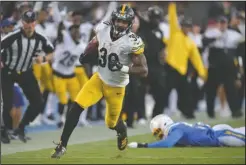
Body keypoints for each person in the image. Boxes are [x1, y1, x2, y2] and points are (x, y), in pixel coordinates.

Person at [51, 4, 148, 158]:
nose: (120, 24)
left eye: (124, 22)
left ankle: (121, 131)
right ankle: (62, 145)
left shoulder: (132, 41)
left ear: (129, 24)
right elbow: (94, 42)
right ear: (113, 20)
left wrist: (122, 68)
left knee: (110, 123)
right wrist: (86, 53)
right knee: (76, 107)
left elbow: (144, 70)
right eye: (118, 21)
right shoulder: (102, 29)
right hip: (99, 78)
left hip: (116, 86)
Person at [1, 10, 54, 143]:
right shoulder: (13, 36)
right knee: (7, 104)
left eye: (31, 22)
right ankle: (5, 130)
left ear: (35, 23)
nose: (29, 25)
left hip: (25, 71)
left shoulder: (41, 38)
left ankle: (21, 127)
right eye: (26, 22)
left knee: (38, 102)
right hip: (8, 71)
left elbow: (51, 52)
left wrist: (43, 58)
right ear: (22, 22)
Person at [162, 2, 207, 119]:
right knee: (164, 92)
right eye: (185, 26)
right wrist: (172, 5)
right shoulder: (174, 33)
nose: (187, 28)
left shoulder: (190, 41)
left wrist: (202, 72)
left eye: (188, 27)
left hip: (182, 71)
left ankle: (188, 112)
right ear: (181, 26)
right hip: (171, 68)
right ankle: (157, 113)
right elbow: (172, 19)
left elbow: (196, 58)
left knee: (186, 93)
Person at [128, 114, 245, 148]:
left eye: (157, 131)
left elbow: (168, 144)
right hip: (217, 132)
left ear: (163, 125)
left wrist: (142, 145)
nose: (158, 135)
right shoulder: (177, 127)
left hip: (220, 135)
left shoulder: (176, 130)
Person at [52, 24, 86, 128]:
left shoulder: (82, 46)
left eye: (77, 30)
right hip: (58, 74)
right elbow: (59, 33)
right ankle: (59, 119)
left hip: (71, 75)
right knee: (63, 100)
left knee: (75, 99)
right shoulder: (65, 38)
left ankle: (68, 118)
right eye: (73, 30)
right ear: (69, 32)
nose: (76, 33)